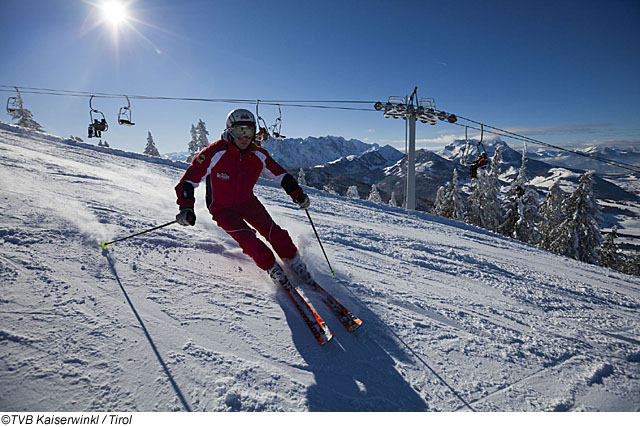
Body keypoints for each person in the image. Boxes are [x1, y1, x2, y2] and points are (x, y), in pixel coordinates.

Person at [174, 108, 313, 286]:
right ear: (229, 131)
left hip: (247, 201)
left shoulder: (258, 154)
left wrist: (297, 194)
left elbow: (281, 175)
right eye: (239, 131)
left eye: (249, 131)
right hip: (221, 208)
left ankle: (293, 260)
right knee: (248, 239)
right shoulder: (215, 153)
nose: (244, 137)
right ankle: (270, 266)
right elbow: (188, 180)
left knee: (274, 232)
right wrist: (186, 207)